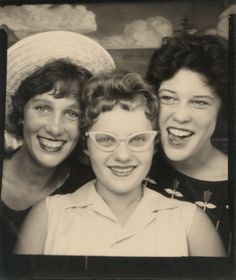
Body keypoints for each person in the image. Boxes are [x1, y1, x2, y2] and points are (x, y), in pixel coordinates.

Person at [15, 72, 225, 257]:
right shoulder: (47, 217)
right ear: (86, 144)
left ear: (155, 144)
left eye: (138, 139)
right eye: (106, 139)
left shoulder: (191, 223)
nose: (123, 156)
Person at [0, 30, 115, 254]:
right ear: (21, 111)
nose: (55, 128)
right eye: (43, 108)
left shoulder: (91, 187)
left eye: (72, 113)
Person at [146, 33, 231, 255]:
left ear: (222, 109)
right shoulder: (134, 163)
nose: (181, 116)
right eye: (168, 98)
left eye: (199, 102)